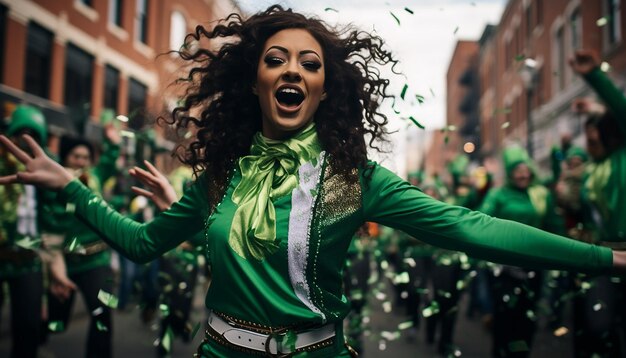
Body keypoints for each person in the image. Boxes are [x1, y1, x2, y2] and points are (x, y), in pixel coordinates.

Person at [1, 6, 626, 357]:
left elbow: (471, 227)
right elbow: (142, 244)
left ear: (327, 86)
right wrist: (69, 187)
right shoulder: (220, 174)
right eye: (276, 59)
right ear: (254, 82)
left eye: (310, 61)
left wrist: (607, 258)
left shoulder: (354, 179)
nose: (292, 69)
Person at [478, 144, 565, 358]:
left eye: (525, 169)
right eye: (517, 170)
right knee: (505, 319)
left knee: (527, 320)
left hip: (533, 268)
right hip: (504, 270)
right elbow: (481, 220)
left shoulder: (539, 194)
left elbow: (555, 226)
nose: (523, 173)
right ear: (509, 173)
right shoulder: (498, 195)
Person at [568, 49, 626, 357]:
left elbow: (621, 109)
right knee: (599, 327)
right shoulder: (591, 172)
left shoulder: (622, 157)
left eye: (594, 138)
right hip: (602, 256)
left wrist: (593, 76)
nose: (589, 144)